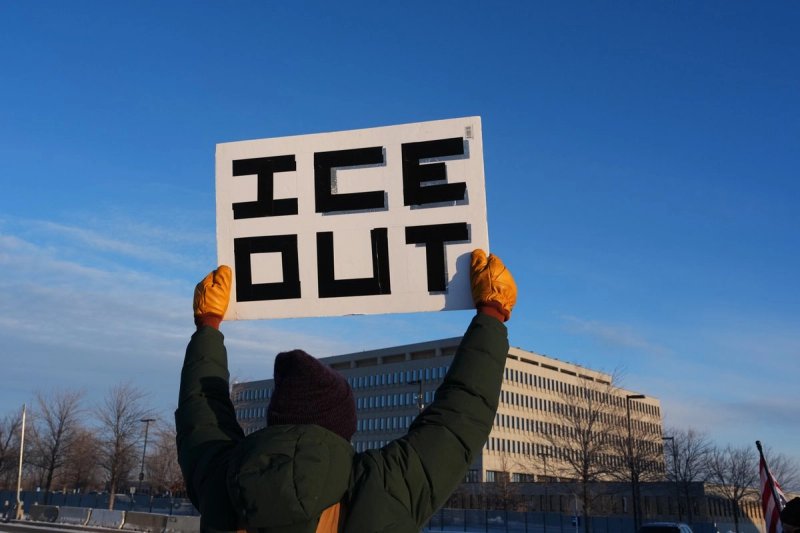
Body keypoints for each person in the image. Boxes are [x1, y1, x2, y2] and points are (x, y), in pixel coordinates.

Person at [176, 249, 516, 533]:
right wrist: (492, 314)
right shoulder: (383, 490)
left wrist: (208, 324)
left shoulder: (223, 483)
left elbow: (201, 411)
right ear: (343, 428)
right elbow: (459, 417)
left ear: (275, 417)